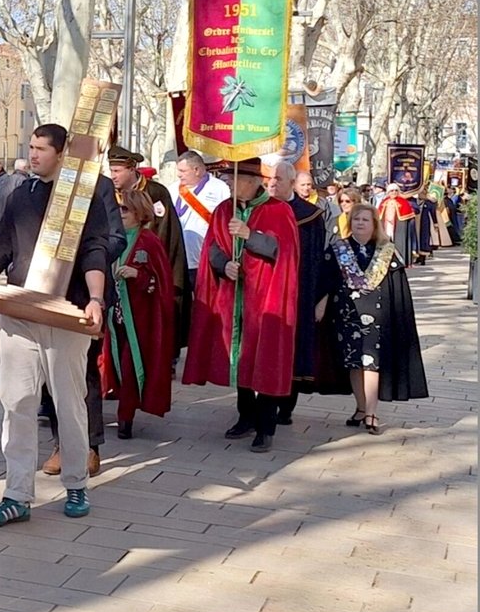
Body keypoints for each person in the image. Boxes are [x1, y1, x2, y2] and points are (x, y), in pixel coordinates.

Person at [0, 124, 108, 525]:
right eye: (30, 147)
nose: (33, 155)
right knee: (16, 403)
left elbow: (96, 249)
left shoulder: (84, 198)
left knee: (69, 402)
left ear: (62, 153)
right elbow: (2, 242)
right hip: (19, 311)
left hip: (67, 312)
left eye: (41, 149)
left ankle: (76, 484)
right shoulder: (20, 194)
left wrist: (97, 299)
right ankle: (16, 494)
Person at [183, 157, 299, 452]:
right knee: (241, 357)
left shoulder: (279, 211)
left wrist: (250, 236)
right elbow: (212, 247)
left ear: (252, 181)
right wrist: (224, 265)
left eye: (234, 180)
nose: (229, 185)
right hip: (234, 298)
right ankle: (245, 416)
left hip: (267, 301)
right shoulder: (224, 210)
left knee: (267, 358)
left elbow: (282, 252)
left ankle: (266, 427)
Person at [40, 167, 126, 475]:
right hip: (47, 292)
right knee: (50, 372)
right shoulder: (37, 188)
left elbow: (117, 238)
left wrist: (83, 258)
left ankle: (90, 445)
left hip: (86, 293)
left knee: (84, 372)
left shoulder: (100, 187)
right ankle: (60, 443)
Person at [316, 203, 428, 434]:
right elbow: (325, 280)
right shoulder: (337, 249)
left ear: (374, 223)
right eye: (356, 219)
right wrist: (321, 303)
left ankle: (371, 412)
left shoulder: (386, 251)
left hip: (377, 315)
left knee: (371, 363)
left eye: (365, 220)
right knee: (354, 364)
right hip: (345, 314)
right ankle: (360, 407)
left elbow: (397, 287)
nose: (360, 223)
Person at [99, 188, 174, 438]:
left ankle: (125, 416)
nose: (120, 214)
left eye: (125, 210)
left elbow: (161, 282)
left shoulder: (148, 241)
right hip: (111, 316)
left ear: (138, 213)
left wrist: (138, 275)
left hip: (139, 320)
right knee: (112, 364)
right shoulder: (111, 237)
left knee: (131, 367)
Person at [108, 144, 188, 360]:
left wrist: (151, 264)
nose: (113, 175)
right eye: (111, 170)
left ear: (132, 169)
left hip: (148, 262)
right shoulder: (110, 193)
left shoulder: (155, 193)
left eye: (117, 171)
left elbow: (165, 232)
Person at [267, 161, 327, 424]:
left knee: (294, 348)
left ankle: (286, 406)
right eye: (270, 179)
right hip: (268, 290)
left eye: (278, 179)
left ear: (291, 183)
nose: (272, 183)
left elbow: (316, 260)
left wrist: (316, 298)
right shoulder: (262, 210)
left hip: (299, 291)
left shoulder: (309, 215)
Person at [167, 149, 231, 308]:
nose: (179, 175)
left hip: (206, 259)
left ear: (196, 170)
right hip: (179, 260)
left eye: (183, 171)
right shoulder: (173, 189)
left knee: (205, 305)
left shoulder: (219, 188)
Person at [379, 184, 417, 266]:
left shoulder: (403, 202)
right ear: (388, 192)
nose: (394, 192)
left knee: (399, 242)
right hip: (386, 226)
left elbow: (409, 215)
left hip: (399, 226)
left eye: (396, 190)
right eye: (392, 191)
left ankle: (401, 260)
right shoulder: (384, 202)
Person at [0, 158, 29, 229]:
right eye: (28, 167)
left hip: (3, 216)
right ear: (24, 168)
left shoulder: (7, 179)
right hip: (15, 219)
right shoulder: (23, 180)